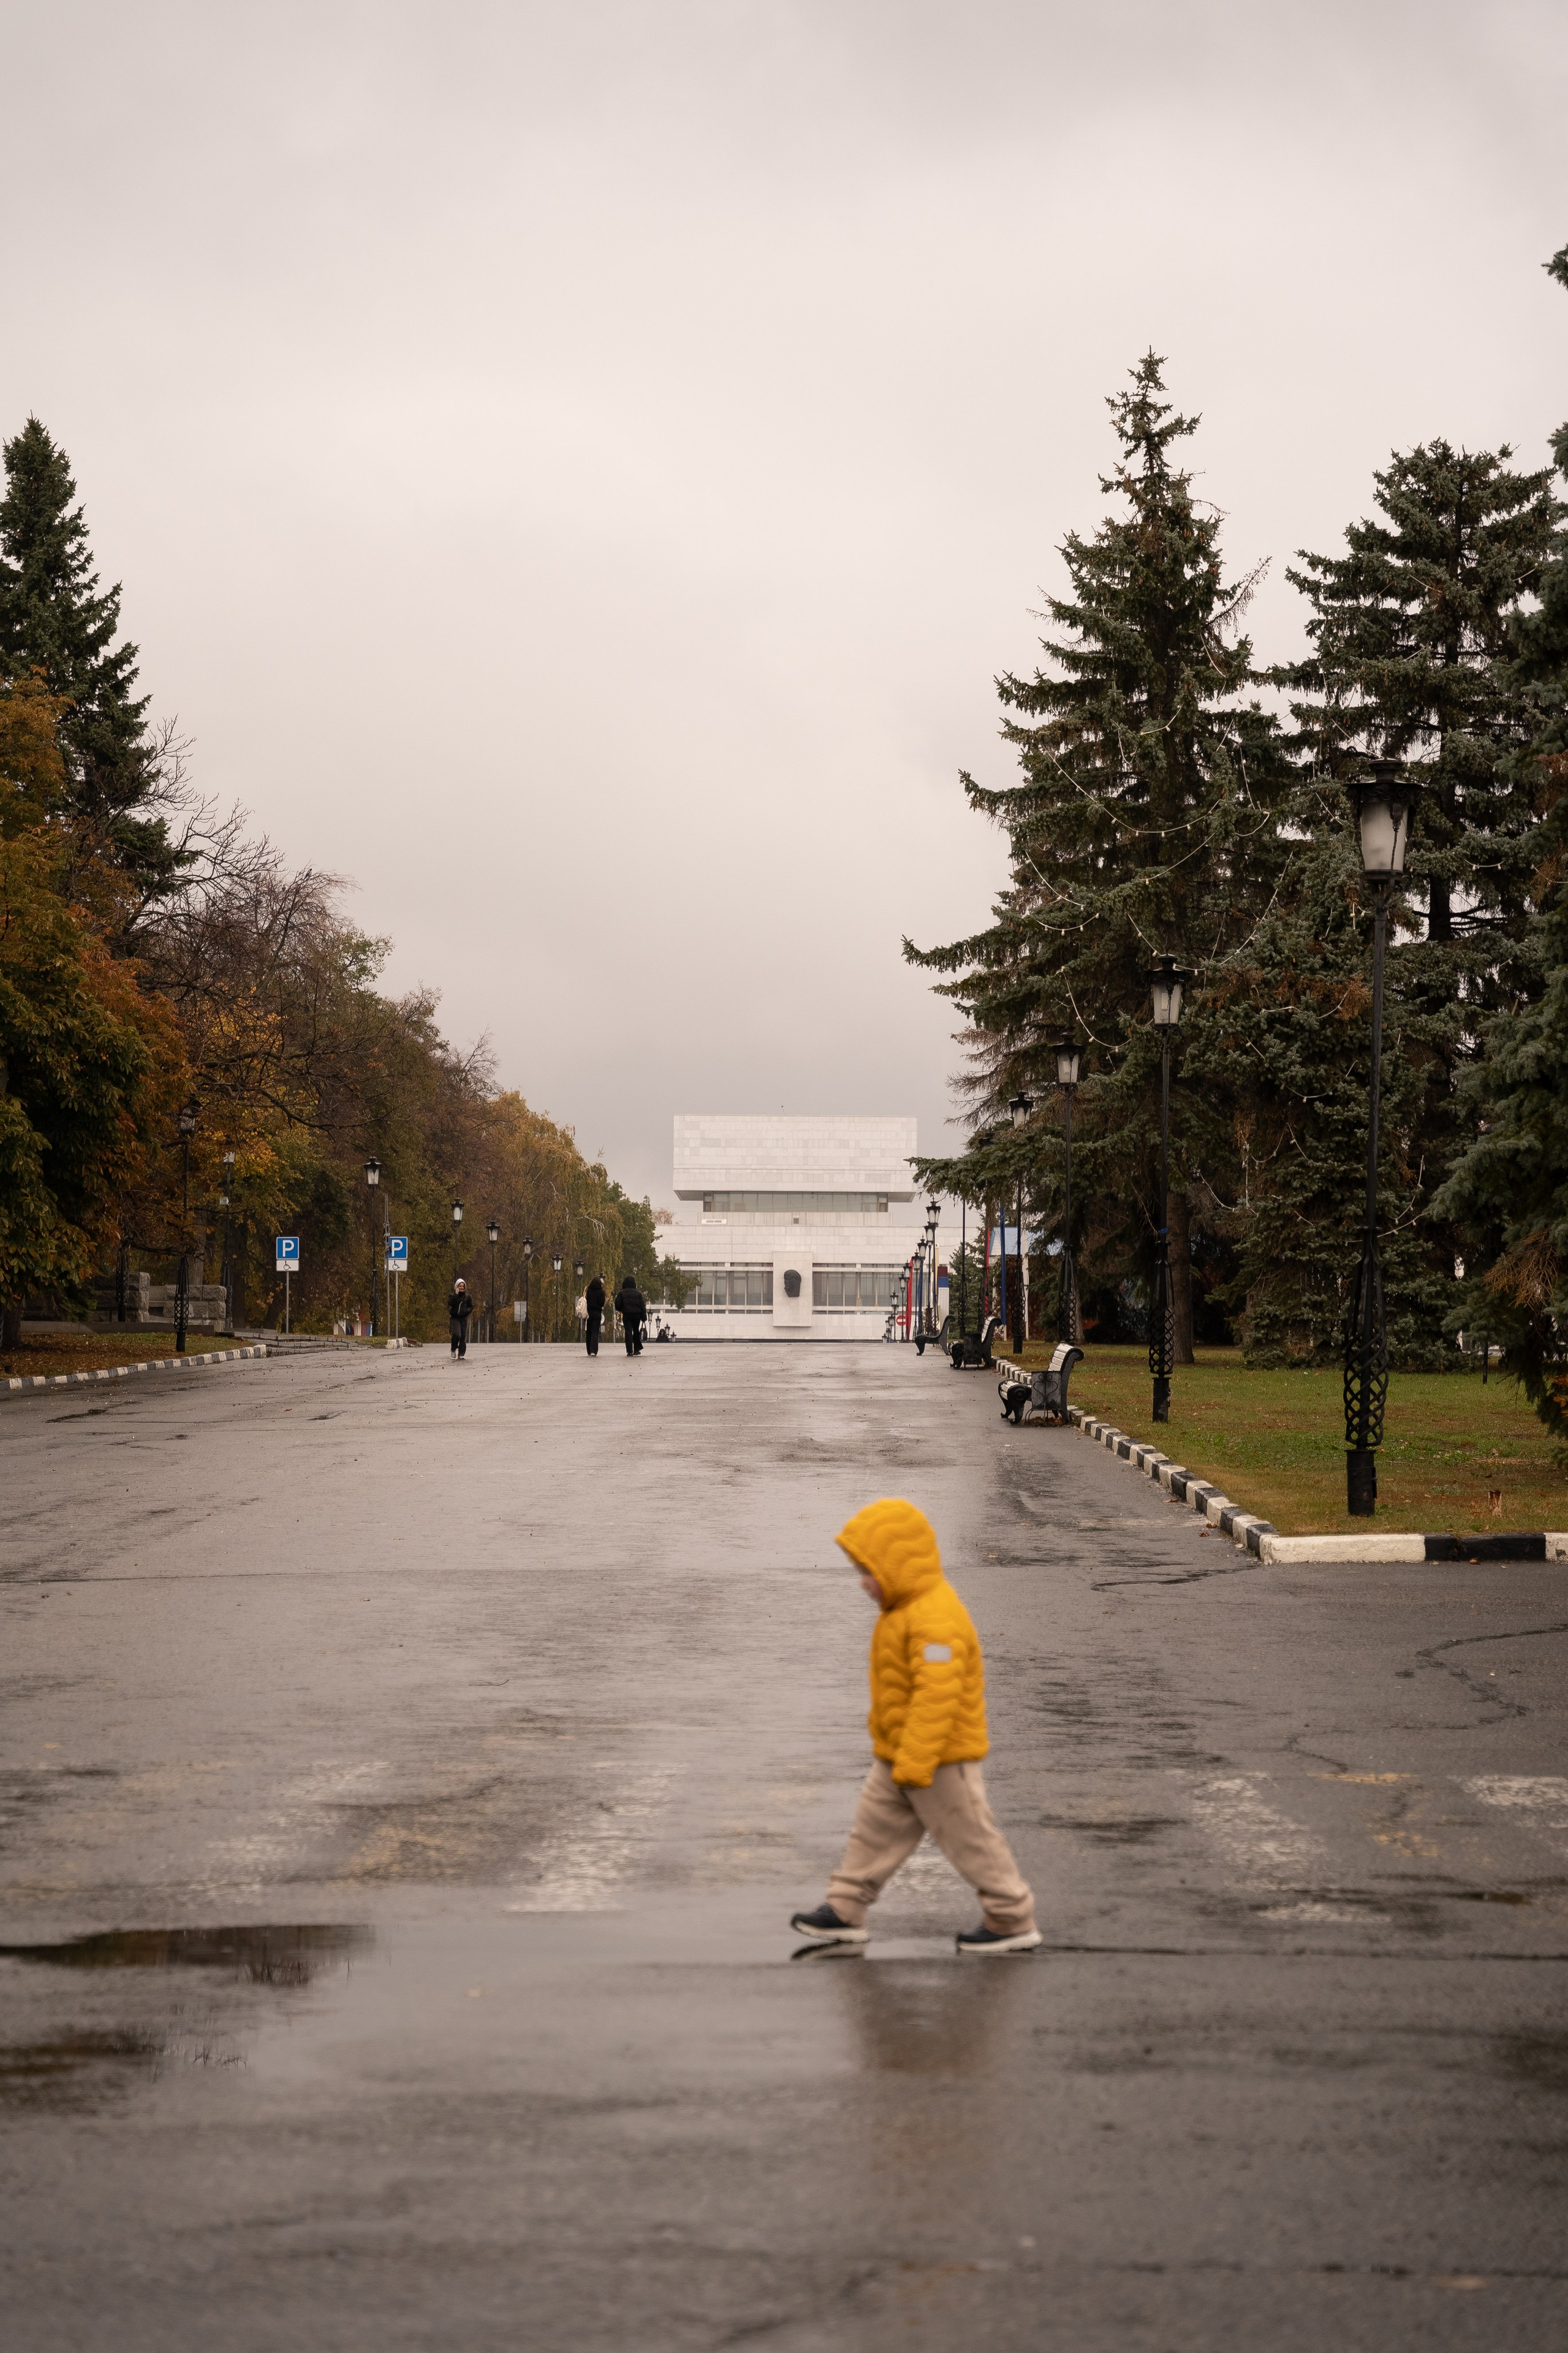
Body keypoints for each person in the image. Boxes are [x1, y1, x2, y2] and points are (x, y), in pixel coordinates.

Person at [790, 1497, 1040, 1955]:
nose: (863, 1583)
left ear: (898, 1565)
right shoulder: (903, 1609)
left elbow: (937, 1695)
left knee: (970, 1838)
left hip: (939, 1758)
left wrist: (917, 1759)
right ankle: (845, 1909)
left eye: (868, 1571)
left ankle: (1011, 1917)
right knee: (871, 1832)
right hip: (899, 1752)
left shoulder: (934, 1617)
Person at [617, 1273, 646, 1355]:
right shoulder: (638, 1293)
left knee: (628, 1332)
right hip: (637, 1315)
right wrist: (644, 1317)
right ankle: (636, 1349)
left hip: (626, 1315)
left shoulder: (621, 1293)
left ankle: (630, 1351)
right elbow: (642, 1306)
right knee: (636, 1331)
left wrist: (621, 1309)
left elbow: (617, 1305)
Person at [447, 1277, 474, 1361]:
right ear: (457, 1287)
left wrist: (467, 1311)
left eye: (463, 1286)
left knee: (463, 1336)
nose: (462, 1287)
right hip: (455, 1318)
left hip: (464, 1318)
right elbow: (451, 1303)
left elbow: (471, 1306)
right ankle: (453, 1348)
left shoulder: (468, 1297)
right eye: (460, 1286)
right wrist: (456, 1295)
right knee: (457, 1334)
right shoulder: (452, 1296)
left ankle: (461, 1354)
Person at [584, 1271, 606, 1358]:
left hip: (589, 1313)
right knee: (595, 1332)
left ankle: (589, 1351)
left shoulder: (588, 1290)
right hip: (597, 1313)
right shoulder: (601, 1292)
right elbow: (602, 1303)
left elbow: (586, 1300)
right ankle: (594, 1351)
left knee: (588, 1332)